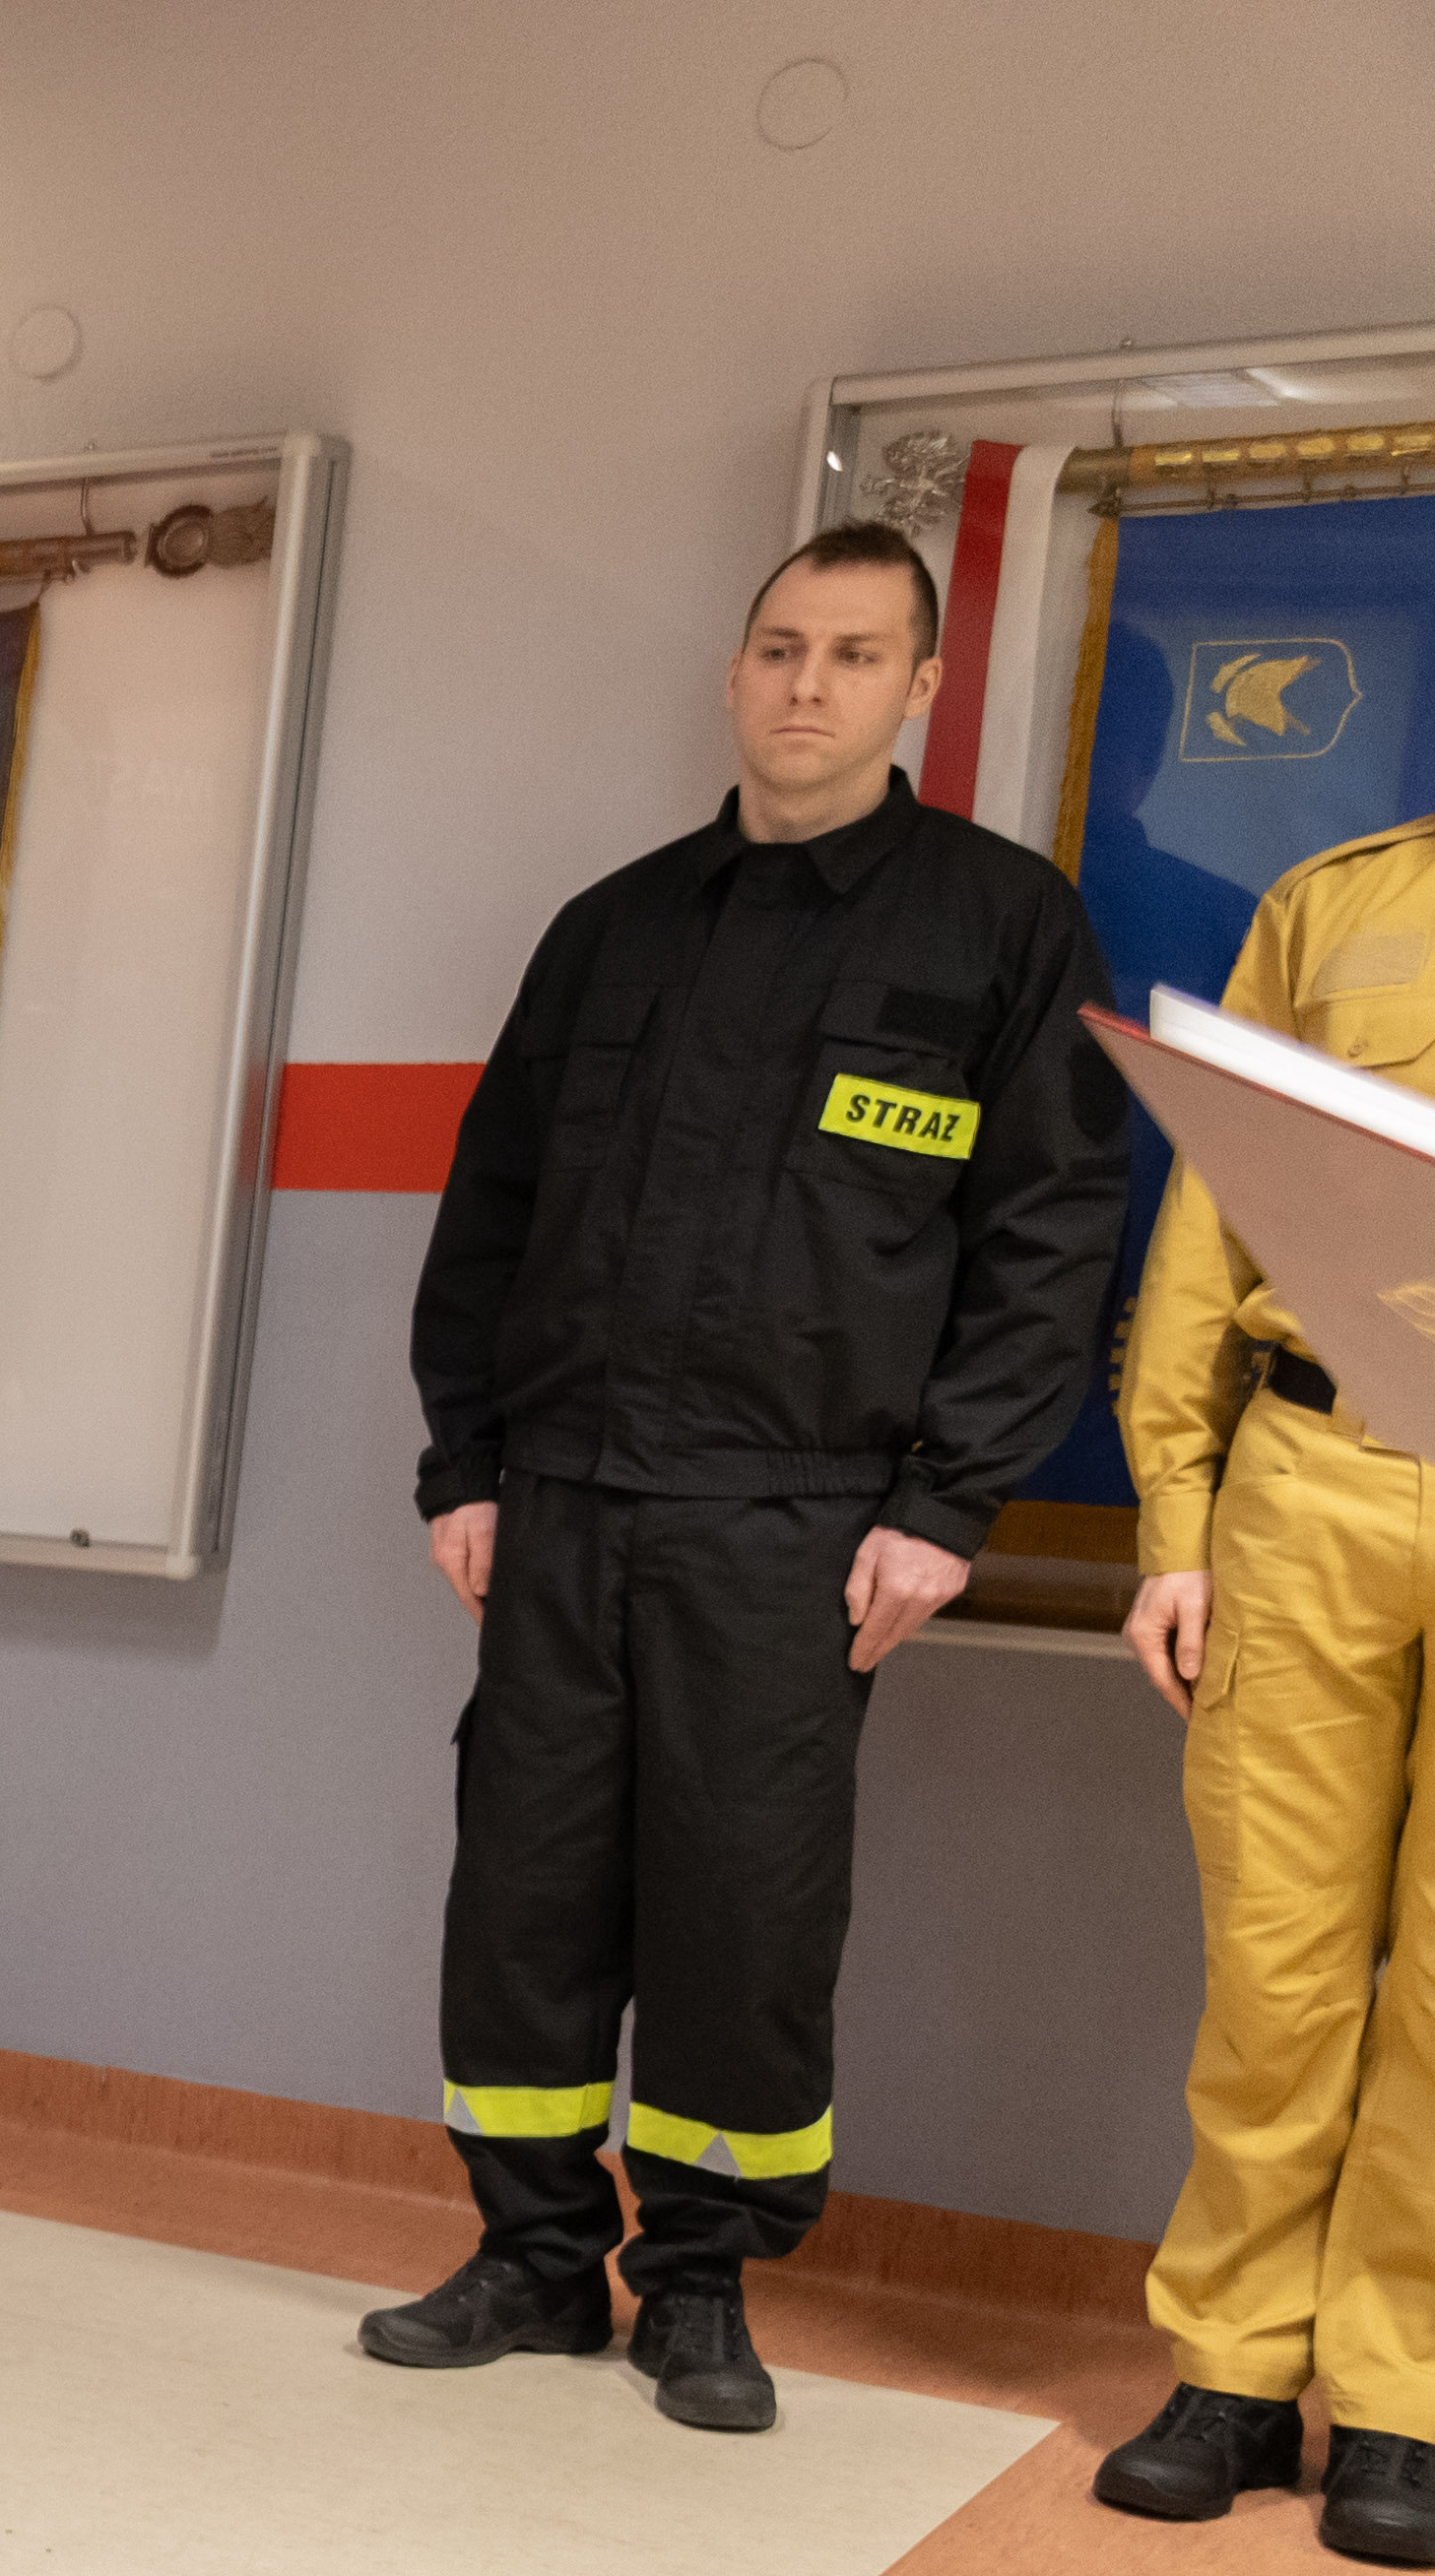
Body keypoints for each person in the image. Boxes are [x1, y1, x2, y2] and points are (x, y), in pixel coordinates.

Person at [361, 520, 1127, 2435]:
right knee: (525, 1895)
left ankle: (698, 2285)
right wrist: (465, 1461)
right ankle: (534, 2258)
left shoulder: (998, 928)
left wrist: (948, 1505)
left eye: (856, 654)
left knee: (744, 1907)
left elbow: (1049, 1241)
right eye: (783, 646)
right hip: (562, 1504)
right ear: (735, 670)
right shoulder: (612, 928)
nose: (809, 684)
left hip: (795, 1519)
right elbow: (492, 1209)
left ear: (921, 687)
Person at [1098, 807, 1435, 2560]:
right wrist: (1176, 1514)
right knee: (1276, 1966)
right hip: (1314, 1477)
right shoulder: (1334, 905)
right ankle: (1228, 2370)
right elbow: (1217, 1207)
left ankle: (1406, 2398)